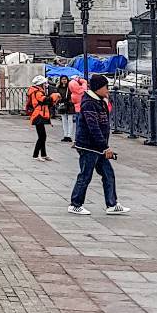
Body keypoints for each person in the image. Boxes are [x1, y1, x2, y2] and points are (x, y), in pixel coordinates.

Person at [68, 73, 130, 215]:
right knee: (85, 175)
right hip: (88, 146)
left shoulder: (100, 100)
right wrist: (105, 147)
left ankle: (112, 204)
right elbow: (93, 126)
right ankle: (75, 204)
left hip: (98, 147)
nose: (107, 90)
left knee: (108, 174)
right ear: (98, 88)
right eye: (105, 87)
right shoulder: (89, 103)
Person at [27, 76, 58, 161]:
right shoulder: (37, 92)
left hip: (39, 114)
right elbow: (44, 100)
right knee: (42, 137)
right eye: (44, 83)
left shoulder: (37, 91)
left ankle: (43, 154)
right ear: (41, 84)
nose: (46, 85)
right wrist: (53, 97)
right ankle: (35, 155)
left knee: (43, 136)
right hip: (38, 115)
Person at [55, 74, 75, 142]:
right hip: (62, 105)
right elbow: (57, 96)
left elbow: (73, 94)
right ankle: (65, 135)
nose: (64, 80)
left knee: (70, 120)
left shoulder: (70, 87)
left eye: (65, 79)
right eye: (63, 79)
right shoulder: (58, 88)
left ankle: (69, 135)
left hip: (70, 105)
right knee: (64, 120)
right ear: (60, 80)